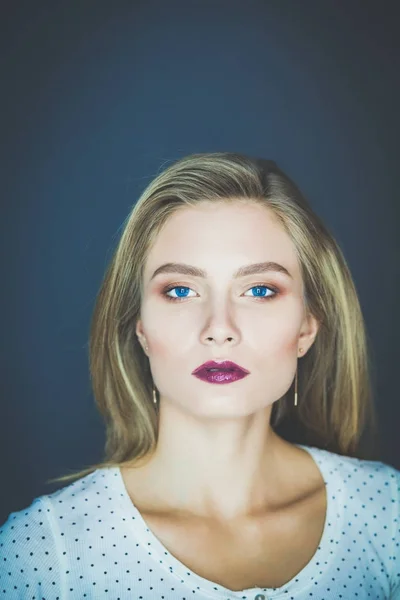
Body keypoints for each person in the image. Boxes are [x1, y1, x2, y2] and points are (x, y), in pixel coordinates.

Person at [1, 152, 399, 599]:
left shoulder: (387, 515)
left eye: (260, 290)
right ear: (142, 330)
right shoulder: (46, 552)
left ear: (307, 328)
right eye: (181, 291)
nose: (219, 329)